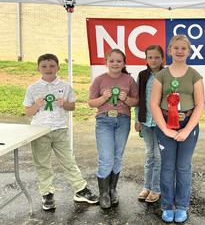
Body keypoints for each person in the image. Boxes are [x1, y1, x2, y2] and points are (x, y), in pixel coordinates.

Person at [23, 53, 98, 211]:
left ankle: (80, 189)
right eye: (44, 66)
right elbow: (28, 112)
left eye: (52, 66)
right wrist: (36, 105)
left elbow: (72, 107)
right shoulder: (32, 88)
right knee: (42, 163)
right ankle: (47, 194)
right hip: (39, 131)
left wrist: (64, 104)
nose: (48, 69)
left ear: (58, 67)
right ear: (38, 68)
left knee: (68, 161)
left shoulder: (65, 87)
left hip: (60, 129)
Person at [150, 35, 204, 223]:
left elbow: (200, 105)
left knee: (183, 167)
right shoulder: (161, 75)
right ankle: (167, 205)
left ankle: (181, 206)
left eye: (184, 48)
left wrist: (187, 130)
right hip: (166, 125)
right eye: (176, 48)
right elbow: (154, 104)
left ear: (189, 51)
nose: (180, 51)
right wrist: (165, 130)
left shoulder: (195, 75)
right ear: (170, 50)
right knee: (167, 167)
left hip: (188, 125)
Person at [88, 49, 139, 209]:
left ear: (123, 63)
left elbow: (136, 101)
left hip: (122, 121)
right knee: (105, 158)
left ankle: (112, 189)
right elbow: (91, 102)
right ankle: (103, 193)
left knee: (117, 157)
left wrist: (127, 99)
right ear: (106, 62)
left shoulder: (129, 80)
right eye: (112, 61)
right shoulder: (99, 80)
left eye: (119, 61)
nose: (115, 64)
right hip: (104, 121)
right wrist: (103, 98)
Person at [134, 45, 164, 203]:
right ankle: (146, 186)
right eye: (150, 57)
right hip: (146, 121)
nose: (153, 60)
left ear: (162, 59)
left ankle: (156, 188)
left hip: (161, 123)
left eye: (157, 57)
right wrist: (137, 119)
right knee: (149, 154)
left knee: (159, 156)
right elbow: (139, 98)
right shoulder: (142, 75)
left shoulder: (167, 74)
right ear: (146, 59)